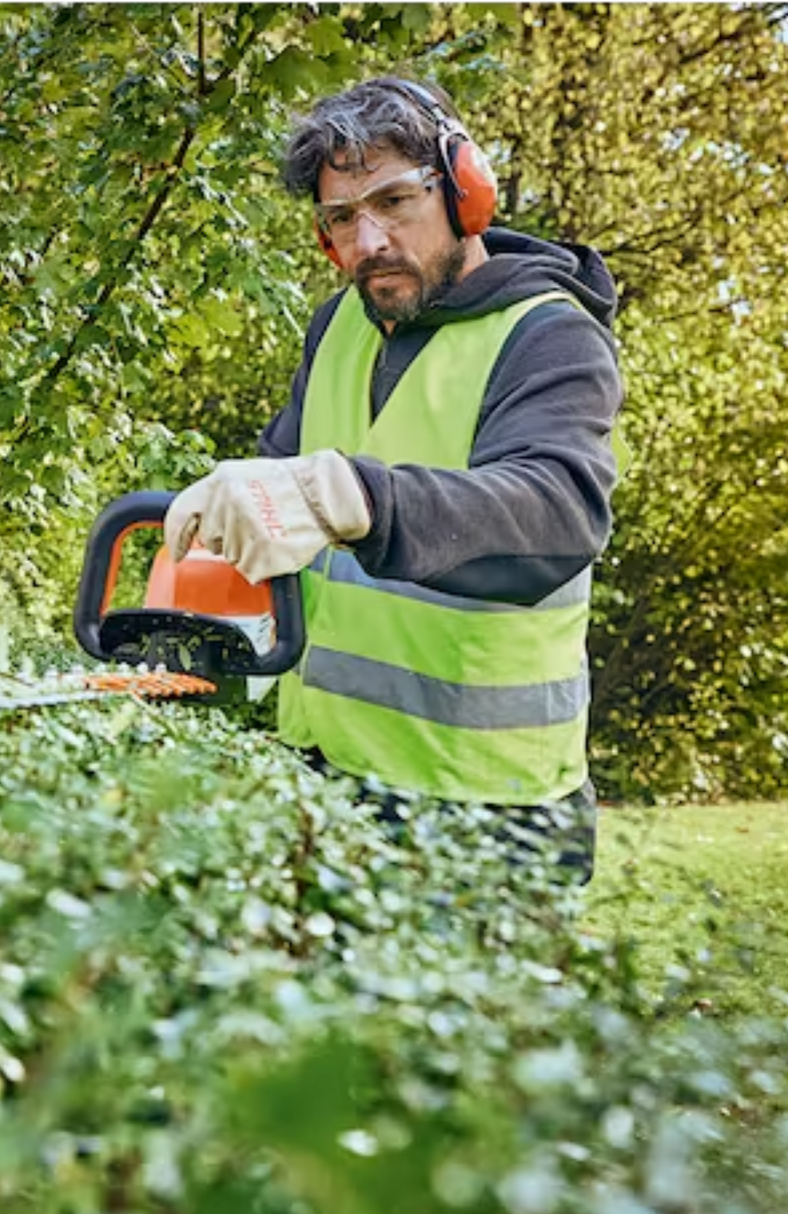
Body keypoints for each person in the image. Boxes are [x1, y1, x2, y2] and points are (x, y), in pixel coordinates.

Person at [163, 76, 624, 881]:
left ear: (463, 191)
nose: (368, 240)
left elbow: (558, 513)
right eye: (342, 218)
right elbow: (282, 490)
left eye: (394, 202)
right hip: (324, 772)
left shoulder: (549, 336)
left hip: (489, 809)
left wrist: (358, 497)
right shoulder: (339, 325)